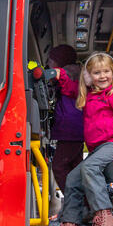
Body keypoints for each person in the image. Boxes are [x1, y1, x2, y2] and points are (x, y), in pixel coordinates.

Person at [54, 52, 113, 226]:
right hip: (97, 149)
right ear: (88, 77)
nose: (102, 76)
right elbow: (71, 89)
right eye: (97, 73)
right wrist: (60, 75)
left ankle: (105, 218)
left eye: (106, 71)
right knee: (72, 179)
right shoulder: (89, 95)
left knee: (89, 167)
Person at [47, 45, 84, 194]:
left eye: (51, 60)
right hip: (76, 128)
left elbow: (54, 74)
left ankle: (74, 202)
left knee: (59, 166)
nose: (48, 63)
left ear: (59, 61)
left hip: (70, 129)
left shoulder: (67, 73)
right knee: (76, 167)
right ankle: (87, 205)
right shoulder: (76, 73)